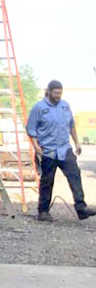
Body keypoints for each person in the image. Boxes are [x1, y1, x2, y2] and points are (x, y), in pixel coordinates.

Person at [26, 80, 96, 222]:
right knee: (47, 181)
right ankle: (43, 211)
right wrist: (36, 146)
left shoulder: (65, 106)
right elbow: (31, 129)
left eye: (60, 93)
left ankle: (81, 208)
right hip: (47, 150)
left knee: (74, 175)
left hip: (65, 149)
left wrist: (77, 143)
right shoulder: (39, 108)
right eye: (56, 93)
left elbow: (71, 126)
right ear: (49, 92)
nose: (58, 96)